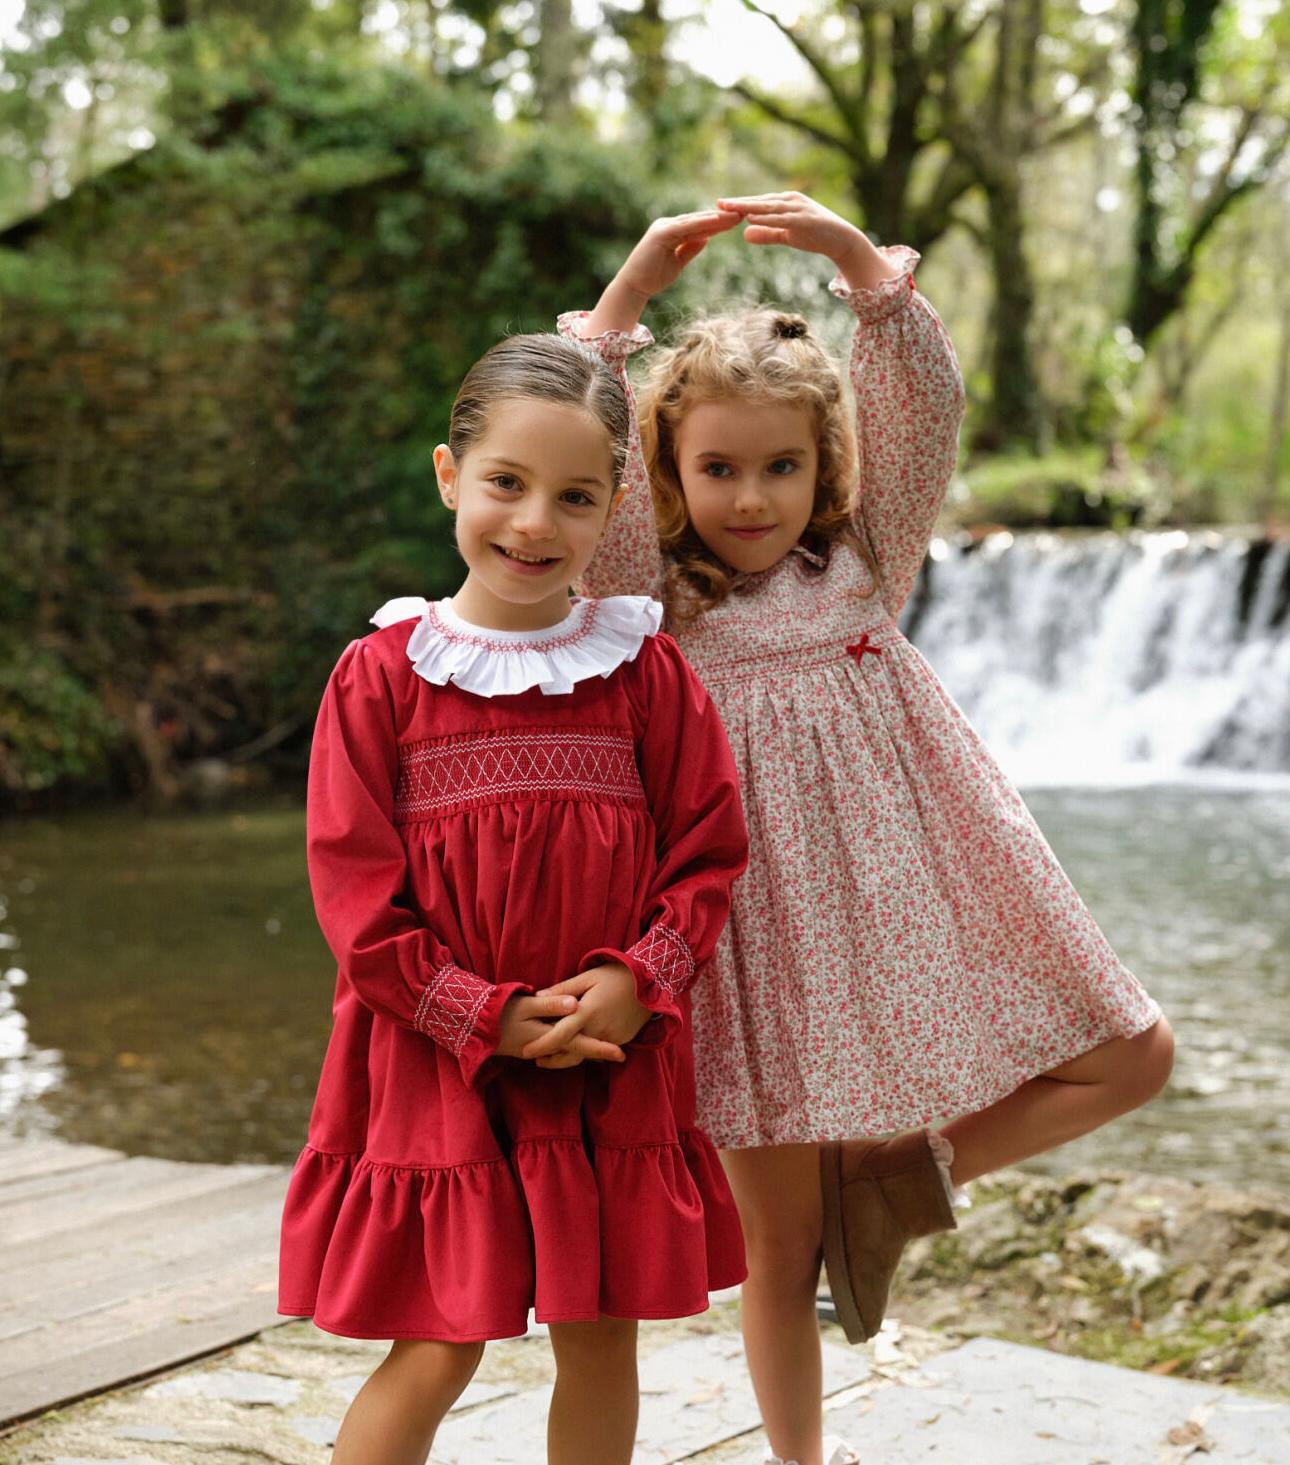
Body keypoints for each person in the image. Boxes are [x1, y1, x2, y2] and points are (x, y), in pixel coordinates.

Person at [552, 193, 1175, 1465]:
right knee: (779, 1251)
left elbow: (924, 406)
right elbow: (582, 435)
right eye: (717, 468)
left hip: (900, 912)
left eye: (781, 467)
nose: (751, 497)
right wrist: (622, 305)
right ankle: (802, 1457)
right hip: (748, 949)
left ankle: (899, 1176)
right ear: (667, 472)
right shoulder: (647, 596)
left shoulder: (868, 561)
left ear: (825, 464)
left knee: (1135, 1055)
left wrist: (858, 264)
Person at [277, 329, 749, 1465]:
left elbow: (709, 854)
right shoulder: (381, 679)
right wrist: (479, 1014)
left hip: (610, 1058)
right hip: (439, 1061)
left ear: (614, 508)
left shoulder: (646, 674)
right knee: (440, 1344)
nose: (535, 523)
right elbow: (355, 900)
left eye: (575, 496)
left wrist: (637, 984)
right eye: (506, 483)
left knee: (600, 1334)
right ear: (451, 477)